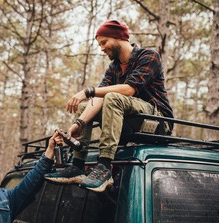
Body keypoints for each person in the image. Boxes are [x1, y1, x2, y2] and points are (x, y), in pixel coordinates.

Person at [45, 20, 174, 192]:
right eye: (100, 45)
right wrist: (78, 125)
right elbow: (98, 97)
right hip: (129, 120)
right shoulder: (114, 68)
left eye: (104, 42)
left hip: (156, 121)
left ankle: (104, 166)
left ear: (118, 37)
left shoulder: (148, 56)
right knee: (87, 107)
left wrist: (88, 91)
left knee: (113, 97)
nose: (102, 48)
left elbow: (128, 89)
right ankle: (77, 166)